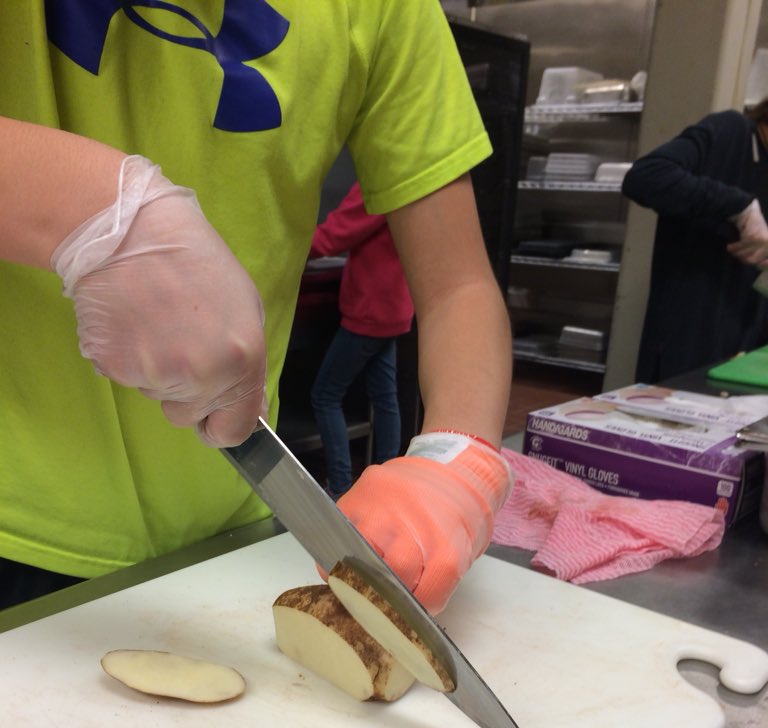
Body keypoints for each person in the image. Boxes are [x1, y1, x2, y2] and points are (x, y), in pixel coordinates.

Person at [0, 2, 513, 617]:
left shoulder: (387, 9)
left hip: (239, 524)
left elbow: (459, 286)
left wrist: (456, 469)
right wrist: (79, 203)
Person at [622, 101, 768, 382]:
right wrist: (739, 207)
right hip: (687, 335)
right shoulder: (731, 132)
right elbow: (644, 177)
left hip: (743, 346)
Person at [308, 180, 411, 500]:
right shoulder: (405, 182)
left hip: (369, 310)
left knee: (325, 395)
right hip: (393, 308)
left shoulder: (374, 185)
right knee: (385, 399)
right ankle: (388, 486)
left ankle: (340, 487)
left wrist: (279, 247)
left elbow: (330, 238)